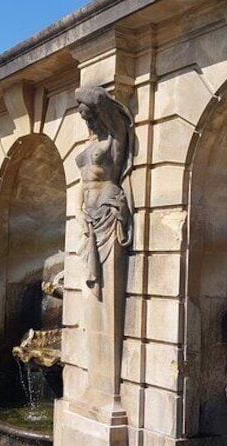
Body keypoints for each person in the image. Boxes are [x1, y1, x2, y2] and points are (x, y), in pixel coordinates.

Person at [74, 86, 135, 298]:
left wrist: (79, 93)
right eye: (86, 120)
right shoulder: (91, 146)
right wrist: (77, 209)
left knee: (109, 279)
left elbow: (100, 98)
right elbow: (83, 182)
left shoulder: (115, 139)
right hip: (88, 213)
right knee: (91, 286)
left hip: (108, 209)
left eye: (91, 117)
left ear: (100, 113)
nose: (89, 124)